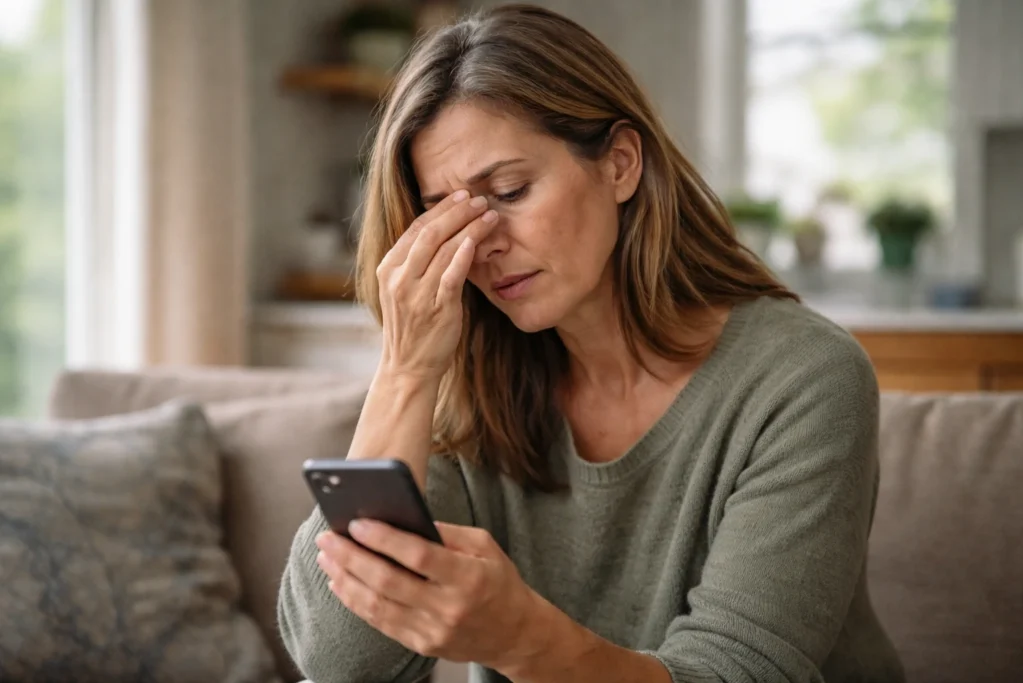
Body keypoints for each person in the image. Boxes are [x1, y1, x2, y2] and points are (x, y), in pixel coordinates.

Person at [277, 5, 904, 682]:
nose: (479, 243)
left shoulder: (803, 379)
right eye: (443, 213)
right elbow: (341, 663)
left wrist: (526, 639)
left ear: (621, 165)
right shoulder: (464, 380)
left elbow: (738, 672)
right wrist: (403, 370)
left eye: (509, 190)